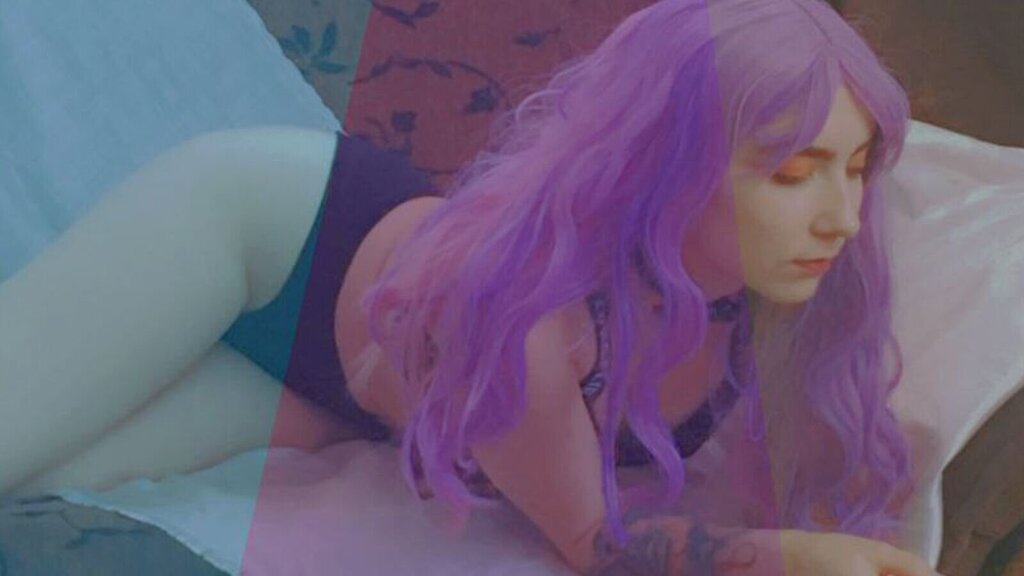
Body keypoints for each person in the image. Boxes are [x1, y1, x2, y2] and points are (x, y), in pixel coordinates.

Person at [0, 0, 939, 574]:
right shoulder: (541, 322)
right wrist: (780, 560)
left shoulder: (775, 309)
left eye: (858, 169)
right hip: (264, 234)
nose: (841, 216)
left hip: (340, 389)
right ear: (671, 163)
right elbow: (596, 545)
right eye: (792, 173)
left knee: (34, 490)